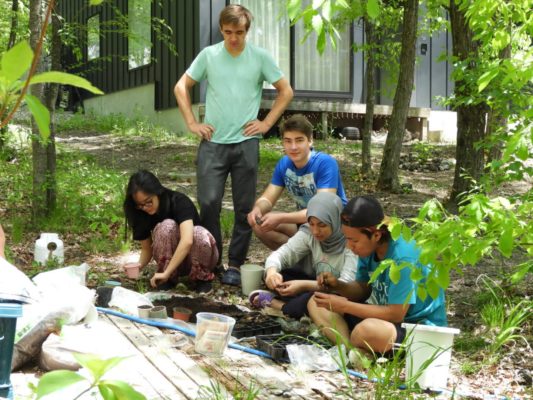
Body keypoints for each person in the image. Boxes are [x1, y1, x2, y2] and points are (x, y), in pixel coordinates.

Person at [174, 4, 293, 286]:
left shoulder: (260, 58)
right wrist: (192, 123)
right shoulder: (210, 55)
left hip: (246, 144)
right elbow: (181, 87)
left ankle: (235, 265)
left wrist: (266, 124)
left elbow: (286, 91)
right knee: (209, 202)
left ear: (246, 31)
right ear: (221, 30)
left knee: (243, 207)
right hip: (213, 143)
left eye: (239, 32)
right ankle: (211, 260)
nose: (234, 38)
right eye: (228, 32)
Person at [308, 195, 447, 356]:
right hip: (384, 319)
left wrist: (344, 306)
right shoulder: (368, 248)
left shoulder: (403, 258)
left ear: (376, 235)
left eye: (353, 240)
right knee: (315, 302)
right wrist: (338, 286)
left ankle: (357, 346)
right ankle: (350, 350)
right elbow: (363, 288)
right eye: (347, 239)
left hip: (416, 328)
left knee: (366, 330)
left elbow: (396, 314)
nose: (349, 246)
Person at [247, 114, 347, 251]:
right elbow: (267, 199)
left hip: (332, 226)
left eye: (299, 140)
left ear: (310, 140)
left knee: (290, 221)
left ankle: (309, 261)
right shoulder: (284, 164)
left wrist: (282, 218)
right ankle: (299, 263)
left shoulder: (325, 163)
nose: (293, 147)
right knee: (261, 225)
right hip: (307, 224)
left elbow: (321, 212)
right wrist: (258, 209)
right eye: (288, 141)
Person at [249, 192, 357, 320]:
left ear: (335, 220)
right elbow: (281, 255)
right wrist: (272, 273)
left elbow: (347, 285)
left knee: (312, 300)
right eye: (312, 224)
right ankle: (293, 304)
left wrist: (304, 285)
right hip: (315, 283)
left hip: (339, 294)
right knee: (280, 274)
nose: (316, 231)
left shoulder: (351, 241)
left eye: (322, 225)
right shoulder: (309, 233)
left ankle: (277, 305)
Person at [122, 170, 218, 294]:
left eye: (148, 202)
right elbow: (147, 248)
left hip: (197, 256)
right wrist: (138, 266)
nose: (145, 208)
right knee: (165, 227)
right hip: (174, 264)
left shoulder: (179, 201)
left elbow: (188, 240)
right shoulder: (140, 213)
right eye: (140, 205)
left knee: (197, 232)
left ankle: (202, 278)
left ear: (157, 192)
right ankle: (168, 279)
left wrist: (166, 272)